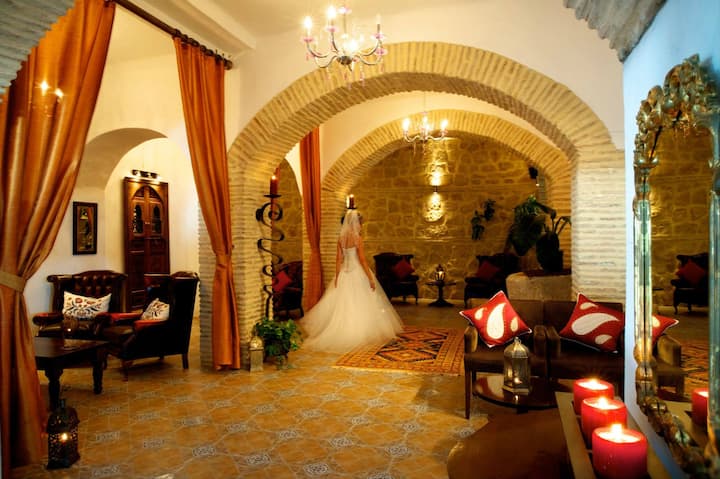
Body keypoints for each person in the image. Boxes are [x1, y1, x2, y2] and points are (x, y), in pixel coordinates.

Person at [300, 209, 404, 352]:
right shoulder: (357, 238)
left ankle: (342, 332)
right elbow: (362, 260)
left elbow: (338, 260)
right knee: (361, 303)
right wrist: (370, 278)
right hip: (357, 272)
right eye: (360, 223)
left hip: (344, 273)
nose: (361, 226)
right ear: (355, 223)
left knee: (343, 304)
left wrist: (337, 277)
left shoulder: (341, 238)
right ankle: (359, 333)